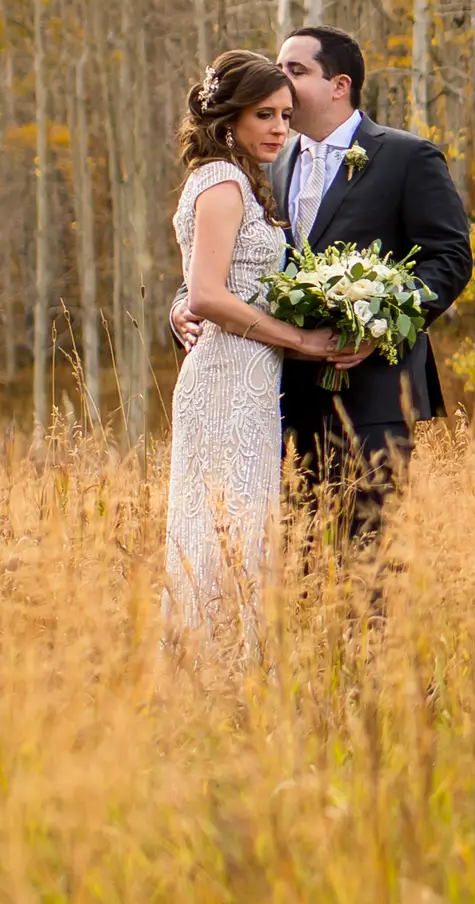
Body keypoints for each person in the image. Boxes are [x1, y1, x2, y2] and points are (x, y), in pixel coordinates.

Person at [175, 25, 473, 533]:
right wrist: (185, 301)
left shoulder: (407, 157)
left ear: (339, 85)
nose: (281, 83)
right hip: (278, 391)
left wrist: (378, 325)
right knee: (292, 562)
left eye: (295, 71)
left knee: (366, 561)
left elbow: (449, 258)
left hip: (373, 393)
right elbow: (239, 259)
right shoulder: (267, 159)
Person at [162, 50, 359, 640]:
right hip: (225, 379)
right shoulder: (223, 183)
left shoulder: (242, 180)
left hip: (249, 377)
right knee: (226, 530)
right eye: (264, 116)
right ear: (229, 123)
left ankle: (234, 673)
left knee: (244, 531)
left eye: (284, 114)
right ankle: (212, 667)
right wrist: (303, 339)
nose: (280, 128)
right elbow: (207, 295)